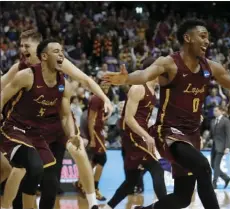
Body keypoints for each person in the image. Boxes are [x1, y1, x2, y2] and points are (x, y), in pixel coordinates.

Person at [102, 19, 230, 209]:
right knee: (204, 166)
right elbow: (145, 74)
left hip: (192, 135)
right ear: (187, 38)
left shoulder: (211, 68)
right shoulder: (169, 64)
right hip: (168, 133)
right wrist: (127, 78)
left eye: (208, 37)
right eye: (202, 36)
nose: (207, 41)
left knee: (182, 198)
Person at [1, 30, 112, 208]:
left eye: (26, 45)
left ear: (39, 49)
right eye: (21, 45)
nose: (22, 49)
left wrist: (105, 98)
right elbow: (1, 87)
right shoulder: (21, 69)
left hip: (55, 122)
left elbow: (85, 80)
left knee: (75, 151)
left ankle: (92, 202)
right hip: (25, 126)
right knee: (20, 169)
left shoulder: (59, 66)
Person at [101, 57, 167, 209]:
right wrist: (147, 136)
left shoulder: (153, 91)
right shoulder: (138, 88)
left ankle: (108, 207)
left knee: (131, 181)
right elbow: (129, 119)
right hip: (133, 137)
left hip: (139, 135)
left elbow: (141, 118)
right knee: (157, 169)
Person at [75, 80, 112, 201]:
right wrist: (92, 138)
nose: (106, 86)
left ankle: (80, 182)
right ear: (98, 86)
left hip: (99, 130)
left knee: (95, 160)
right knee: (102, 159)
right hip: (95, 132)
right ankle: (95, 188)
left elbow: (99, 117)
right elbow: (91, 119)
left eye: (108, 84)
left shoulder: (101, 98)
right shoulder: (97, 98)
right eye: (103, 84)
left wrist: (105, 119)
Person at [210, 106, 230, 189]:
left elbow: (228, 135)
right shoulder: (212, 121)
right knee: (212, 165)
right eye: (213, 111)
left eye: (216, 110)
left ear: (221, 111)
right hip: (214, 145)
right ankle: (226, 178)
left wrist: (227, 147)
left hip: (221, 146)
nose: (214, 112)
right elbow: (212, 134)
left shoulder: (226, 121)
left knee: (216, 164)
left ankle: (214, 183)